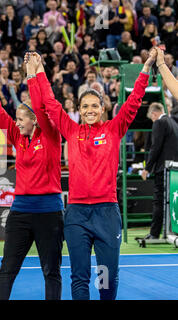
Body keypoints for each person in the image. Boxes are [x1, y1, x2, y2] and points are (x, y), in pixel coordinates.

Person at [33, 49, 156, 300]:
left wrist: (145, 69)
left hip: (106, 214)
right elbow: (50, 103)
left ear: (102, 108)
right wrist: (39, 70)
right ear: (79, 109)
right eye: (85, 106)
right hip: (77, 214)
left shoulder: (114, 129)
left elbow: (133, 102)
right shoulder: (71, 129)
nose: (89, 110)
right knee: (79, 277)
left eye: (94, 106)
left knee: (106, 278)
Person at [0, 54, 64, 300]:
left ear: (34, 120)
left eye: (21, 119)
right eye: (17, 120)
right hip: (20, 213)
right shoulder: (18, 137)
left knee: (51, 271)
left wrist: (33, 75)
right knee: (7, 270)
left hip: (49, 213)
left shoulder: (52, 136)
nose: (17, 123)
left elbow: (42, 107)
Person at [141, 102, 178, 239]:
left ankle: (154, 233)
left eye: (151, 118)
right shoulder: (174, 123)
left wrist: (147, 168)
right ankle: (171, 232)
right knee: (172, 202)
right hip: (174, 169)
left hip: (163, 170)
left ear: (154, 114)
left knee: (158, 201)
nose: (152, 121)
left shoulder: (159, 123)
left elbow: (155, 147)